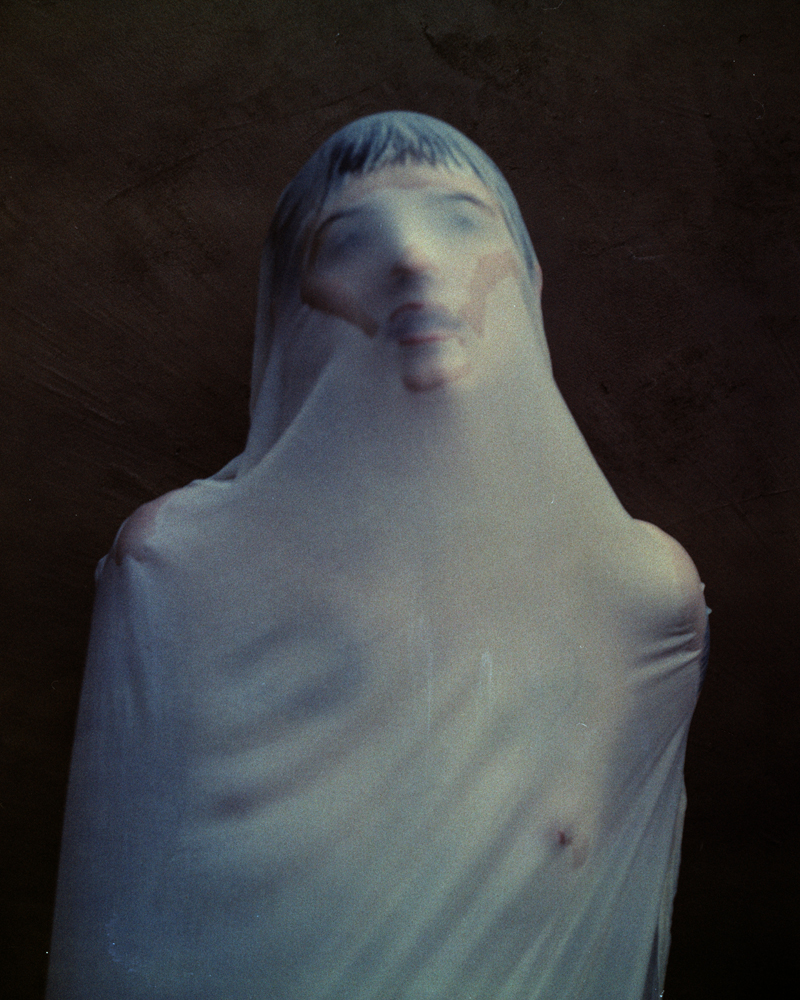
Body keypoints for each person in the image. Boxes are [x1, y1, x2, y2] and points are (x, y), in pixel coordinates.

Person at [47, 112, 709, 999]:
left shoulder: (640, 601)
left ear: (529, 278)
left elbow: (615, 941)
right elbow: (109, 939)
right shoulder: (178, 573)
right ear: (287, 305)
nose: (413, 258)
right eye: (351, 239)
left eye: (461, 221)